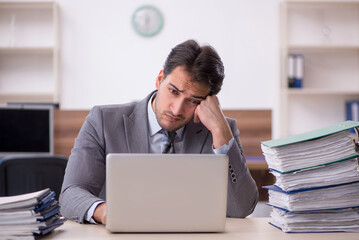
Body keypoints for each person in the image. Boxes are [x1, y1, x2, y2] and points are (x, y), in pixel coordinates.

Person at [59, 39, 258, 224]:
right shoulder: (103, 121)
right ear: (160, 79)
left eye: (193, 100)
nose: (177, 109)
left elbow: (241, 208)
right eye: (173, 91)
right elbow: (71, 194)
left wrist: (221, 133)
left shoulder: (220, 131)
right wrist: (106, 212)